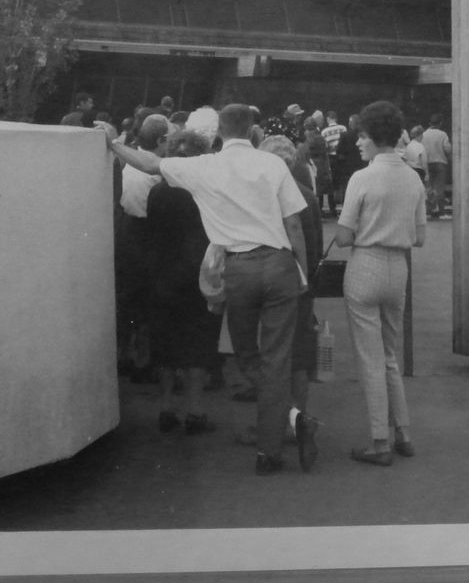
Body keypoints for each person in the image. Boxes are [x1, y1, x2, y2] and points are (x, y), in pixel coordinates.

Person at [109, 104, 317, 476]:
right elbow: (294, 225)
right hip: (280, 264)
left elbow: (149, 164)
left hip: (238, 270)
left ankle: (288, 421)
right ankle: (272, 448)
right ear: (252, 128)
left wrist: (113, 143)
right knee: (276, 358)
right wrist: (301, 272)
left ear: (220, 131)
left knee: (245, 355)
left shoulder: (205, 167)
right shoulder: (273, 165)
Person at [337, 100, 426, 466]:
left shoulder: (361, 178)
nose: (358, 142)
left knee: (370, 358)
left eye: (361, 136)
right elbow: (420, 238)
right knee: (390, 355)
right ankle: (403, 431)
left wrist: (362, 229)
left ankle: (378, 440)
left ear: (373, 137)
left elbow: (343, 237)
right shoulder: (413, 177)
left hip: (366, 265)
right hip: (398, 268)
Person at [144, 131, 221, 436]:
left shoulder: (158, 192)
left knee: (165, 347)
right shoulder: (205, 192)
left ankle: (166, 408)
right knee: (198, 347)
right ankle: (195, 412)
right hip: (198, 276)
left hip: (162, 277)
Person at [259, 135, 324, 438]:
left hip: (271, 283)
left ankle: (275, 423)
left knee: (272, 355)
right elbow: (316, 245)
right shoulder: (308, 195)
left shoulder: (261, 197)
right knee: (299, 356)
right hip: (303, 283)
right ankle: (300, 417)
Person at [117, 113, 172, 382]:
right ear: (161, 140)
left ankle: (124, 356)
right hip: (148, 235)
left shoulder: (129, 161)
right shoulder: (157, 169)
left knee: (128, 302)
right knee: (147, 306)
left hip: (128, 232)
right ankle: (142, 361)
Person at [421, 115, 452, 219]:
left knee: (428, 186)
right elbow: (447, 149)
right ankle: (441, 212)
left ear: (429, 123)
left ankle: (429, 211)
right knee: (439, 187)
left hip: (427, 162)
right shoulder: (443, 134)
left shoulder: (424, 135)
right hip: (440, 162)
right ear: (440, 123)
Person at [303, 119, 334, 216]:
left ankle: (319, 212)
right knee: (328, 189)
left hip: (314, 164)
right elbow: (327, 149)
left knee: (318, 189)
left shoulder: (309, 138)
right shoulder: (321, 137)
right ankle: (332, 210)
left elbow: (306, 151)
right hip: (323, 164)